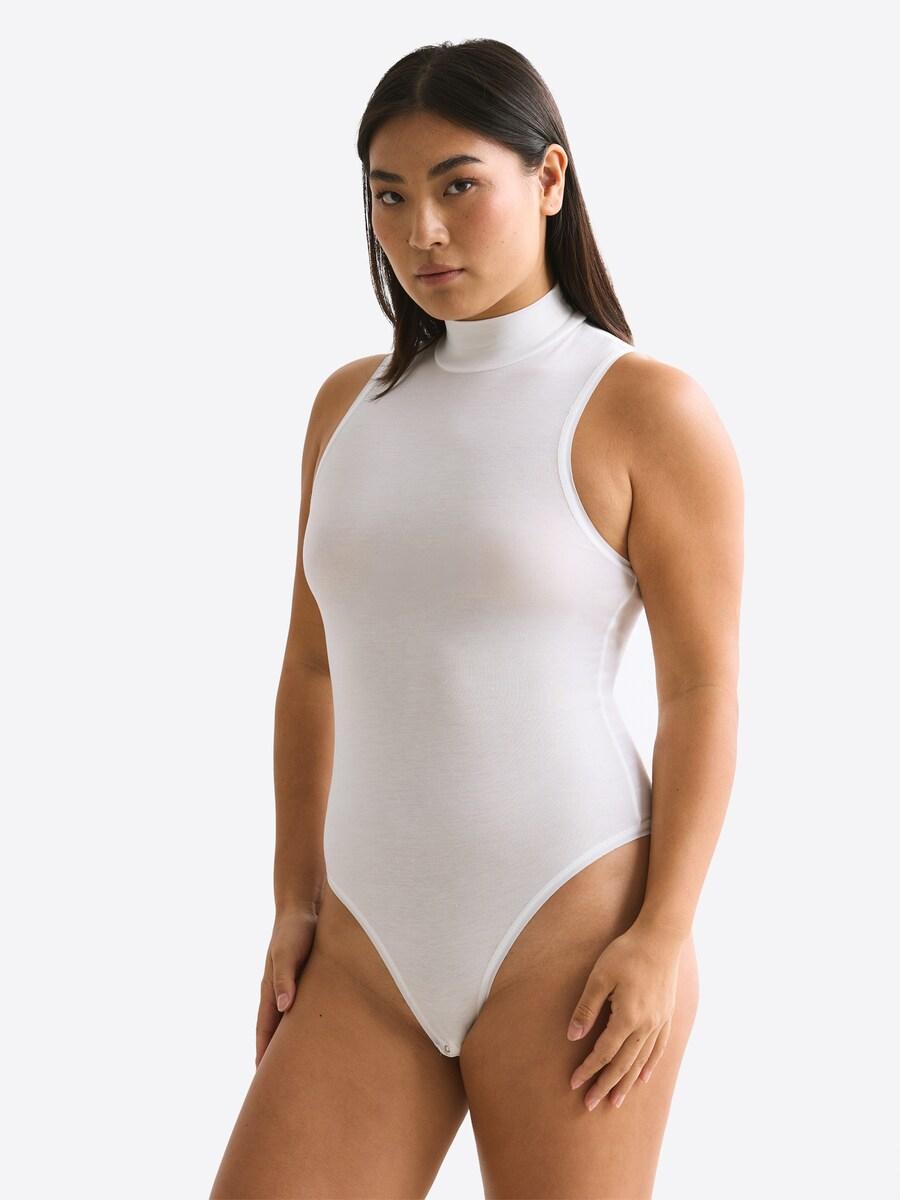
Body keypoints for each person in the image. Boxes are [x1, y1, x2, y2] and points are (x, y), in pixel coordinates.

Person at [210, 37, 743, 1200]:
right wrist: (293, 898)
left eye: (459, 186)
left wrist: (662, 935)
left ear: (548, 179)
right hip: (364, 952)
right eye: (389, 196)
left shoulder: (644, 409)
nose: (422, 232)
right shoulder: (346, 407)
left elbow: (701, 689)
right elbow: (311, 670)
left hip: (573, 938)